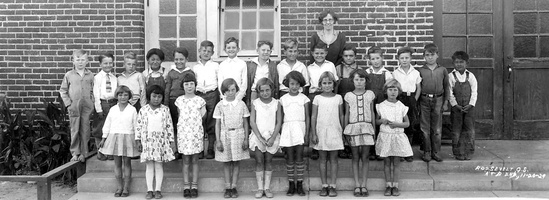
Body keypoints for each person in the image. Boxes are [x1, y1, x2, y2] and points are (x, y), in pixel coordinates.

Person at [98, 85, 140, 197]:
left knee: (127, 163)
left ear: (129, 96)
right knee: (117, 164)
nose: (123, 97)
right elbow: (107, 124)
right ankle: (119, 187)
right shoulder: (113, 109)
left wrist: (138, 139)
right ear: (117, 96)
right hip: (114, 137)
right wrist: (104, 138)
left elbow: (136, 125)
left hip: (128, 136)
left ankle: (126, 187)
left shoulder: (132, 109)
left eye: (126, 95)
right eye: (120, 95)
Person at [135, 85, 175, 199]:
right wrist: (138, 140)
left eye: (159, 96)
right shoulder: (143, 110)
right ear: (149, 96)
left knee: (158, 165)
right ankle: (149, 190)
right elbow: (139, 126)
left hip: (160, 141)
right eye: (154, 96)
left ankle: (158, 189)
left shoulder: (165, 109)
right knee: (149, 166)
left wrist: (171, 141)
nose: (156, 99)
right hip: (147, 141)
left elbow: (169, 125)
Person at [214, 78, 251, 198]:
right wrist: (218, 140)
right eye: (228, 90)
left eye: (233, 90)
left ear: (236, 90)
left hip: (238, 135)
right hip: (225, 135)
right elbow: (217, 124)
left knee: (236, 162)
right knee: (226, 162)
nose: (230, 92)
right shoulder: (220, 105)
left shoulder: (241, 104)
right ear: (223, 92)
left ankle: (234, 187)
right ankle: (227, 187)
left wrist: (246, 138)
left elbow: (245, 122)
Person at [376, 79, 413, 197]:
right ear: (386, 91)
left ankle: (395, 186)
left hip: (397, 137)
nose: (392, 92)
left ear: (399, 92)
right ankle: (388, 185)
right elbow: (376, 121)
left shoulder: (401, 106)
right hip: (385, 136)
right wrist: (382, 121)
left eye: (395, 90)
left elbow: (407, 123)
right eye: (390, 90)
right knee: (386, 162)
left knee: (396, 163)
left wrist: (397, 124)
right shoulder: (381, 106)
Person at [310, 71, 344, 197]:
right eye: (324, 83)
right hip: (321, 131)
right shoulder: (317, 98)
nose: (327, 85)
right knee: (323, 159)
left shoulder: (338, 98)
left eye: (330, 83)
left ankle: (333, 186)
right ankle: (324, 185)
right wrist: (313, 133)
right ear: (320, 85)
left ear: (334, 84)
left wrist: (342, 131)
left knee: (334, 159)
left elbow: (341, 115)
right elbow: (313, 116)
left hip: (335, 130)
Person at [343, 69, 375, 197]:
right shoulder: (348, 96)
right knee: (355, 156)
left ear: (366, 81)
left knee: (365, 157)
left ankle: (364, 184)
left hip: (367, 127)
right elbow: (346, 114)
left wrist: (374, 130)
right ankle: (357, 184)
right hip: (353, 128)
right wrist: (345, 131)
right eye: (357, 79)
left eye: (362, 79)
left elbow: (372, 112)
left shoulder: (370, 94)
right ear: (352, 81)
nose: (359, 82)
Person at [249, 78, 282, 199]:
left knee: (268, 161)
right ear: (258, 91)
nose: (265, 93)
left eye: (267, 90)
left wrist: (273, 138)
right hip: (259, 136)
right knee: (259, 160)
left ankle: (267, 188)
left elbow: (279, 122)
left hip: (271, 136)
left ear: (272, 90)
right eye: (262, 91)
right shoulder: (255, 103)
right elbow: (252, 121)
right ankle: (260, 188)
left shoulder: (276, 103)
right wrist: (259, 137)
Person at [59, 49, 94, 162]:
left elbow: (94, 90)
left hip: (87, 106)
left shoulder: (90, 75)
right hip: (74, 106)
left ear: (87, 61)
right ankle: (75, 152)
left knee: (85, 129)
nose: (80, 62)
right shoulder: (69, 75)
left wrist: (92, 102)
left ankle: (84, 152)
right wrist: (68, 104)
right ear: (73, 61)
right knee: (75, 129)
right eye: (78, 60)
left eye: (83, 60)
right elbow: (63, 91)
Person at [175, 72, 206, 198]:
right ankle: (186, 186)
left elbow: (203, 116)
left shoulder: (200, 101)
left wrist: (196, 129)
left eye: (191, 84)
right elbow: (179, 115)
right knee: (186, 160)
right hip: (184, 134)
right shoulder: (179, 101)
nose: (189, 86)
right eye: (186, 84)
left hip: (195, 133)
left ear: (195, 85)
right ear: (183, 86)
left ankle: (194, 185)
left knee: (195, 160)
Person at [417, 43, 450, 162]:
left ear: (437, 55)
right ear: (424, 57)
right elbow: (418, 87)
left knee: (437, 128)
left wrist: (446, 102)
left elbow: (447, 87)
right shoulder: (420, 70)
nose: (430, 57)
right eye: (427, 55)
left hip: (438, 100)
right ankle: (426, 151)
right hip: (424, 100)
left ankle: (436, 152)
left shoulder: (442, 70)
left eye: (432, 55)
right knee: (424, 127)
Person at [279, 71, 309, 196]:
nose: (294, 86)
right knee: (290, 157)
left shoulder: (304, 98)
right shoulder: (283, 99)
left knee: (299, 157)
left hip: (300, 127)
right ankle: (291, 184)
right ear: (287, 84)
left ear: (300, 84)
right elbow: (280, 118)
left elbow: (307, 116)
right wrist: (281, 133)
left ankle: (300, 184)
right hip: (288, 128)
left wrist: (307, 133)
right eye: (292, 84)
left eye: (297, 84)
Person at [307, 43, 339, 160]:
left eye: (322, 53)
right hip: (314, 95)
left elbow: (335, 81)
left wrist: (333, 94)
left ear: (326, 53)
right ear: (312, 54)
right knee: (314, 119)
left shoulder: (330, 65)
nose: (319, 55)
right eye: (316, 53)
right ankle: (315, 147)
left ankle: (330, 144)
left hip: (328, 94)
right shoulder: (309, 67)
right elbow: (307, 84)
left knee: (327, 119)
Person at [392, 46, 421, 163]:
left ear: (411, 58)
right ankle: (400, 152)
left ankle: (408, 152)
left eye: (407, 58)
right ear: (398, 59)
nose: (404, 60)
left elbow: (419, 87)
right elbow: (393, 87)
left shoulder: (416, 72)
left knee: (410, 125)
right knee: (400, 125)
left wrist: (415, 99)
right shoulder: (395, 73)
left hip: (412, 98)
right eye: (402, 58)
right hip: (400, 98)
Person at [366, 46, 393, 161]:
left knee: (381, 125)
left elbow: (389, 89)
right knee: (370, 124)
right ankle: (372, 150)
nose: (375, 61)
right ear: (369, 60)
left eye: (377, 58)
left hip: (382, 102)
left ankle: (381, 150)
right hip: (370, 102)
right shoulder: (367, 72)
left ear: (382, 58)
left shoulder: (387, 73)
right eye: (373, 59)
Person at [194, 40, 220, 159]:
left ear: (212, 53)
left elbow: (219, 81)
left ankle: (210, 149)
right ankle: (199, 149)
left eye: (209, 51)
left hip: (212, 94)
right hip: (199, 94)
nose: (206, 53)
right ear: (199, 51)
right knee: (199, 121)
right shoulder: (195, 67)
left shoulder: (216, 66)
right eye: (204, 50)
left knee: (211, 121)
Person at [449, 51, 477, 161]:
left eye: (462, 62)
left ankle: (469, 152)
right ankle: (458, 153)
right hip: (456, 108)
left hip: (469, 108)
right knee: (456, 131)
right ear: (453, 63)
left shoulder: (471, 76)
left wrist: (471, 104)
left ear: (467, 63)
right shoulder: (451, 76)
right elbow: (449, 92)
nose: (459, 64)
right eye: (457, 62)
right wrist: (455, 105)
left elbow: (474, 92)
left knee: (469, 130)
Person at [164, 47, 192, 158]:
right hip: (172, 102)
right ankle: (176, 149)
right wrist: (166, 104)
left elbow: (192, 88)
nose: (179, 62)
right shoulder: (171, 73)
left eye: (181, 59)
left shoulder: (190, 73)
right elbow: (167, 89)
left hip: (186, 103)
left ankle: (185, 149)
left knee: (185, 126)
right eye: (176, 59)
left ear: (186, 59)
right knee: (174, 126)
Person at [336, 44, 361, 159]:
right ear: (342, 56)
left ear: (355, 56)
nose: (348, 58)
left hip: (353, 100)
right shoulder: (338, 69)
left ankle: (351, 146)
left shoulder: (359, 70)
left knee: (352, 122)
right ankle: (342, 146)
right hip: (341, 98)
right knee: (341, 122)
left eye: (351, 55)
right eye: (346, 56)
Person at [92, 52, 117, 161]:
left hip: (113, 103)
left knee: (111, 128)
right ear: (100, 64)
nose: (108, 65)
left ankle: (110, 151)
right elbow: (96, 94)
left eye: (110, 63)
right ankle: (100, 151)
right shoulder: (97, 78)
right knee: (100, 129)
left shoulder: (114, 77)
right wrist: (99, 109)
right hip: (102, 103)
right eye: (105, 63)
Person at [246, 40, 279, 106]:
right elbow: (248, 81)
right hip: (254, 92)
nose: (265, 52)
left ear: (271, 52)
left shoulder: (272, 66)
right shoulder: (251, 65)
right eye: (263, 50)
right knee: (254, 111)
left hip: (267, 92)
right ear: (257, 50)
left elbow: (275, 82)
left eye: (268, 50)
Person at [218, 37, 248, 101]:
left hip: (239, 97)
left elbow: (244, 83)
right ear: (225, 49)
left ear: (238, 49)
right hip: (225, 97)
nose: (231, 49)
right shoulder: (222, 65)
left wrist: (238, 97)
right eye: (228, 48)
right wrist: (224, 97)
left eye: (234, 47)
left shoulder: (242, 64)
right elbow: (220, 83)